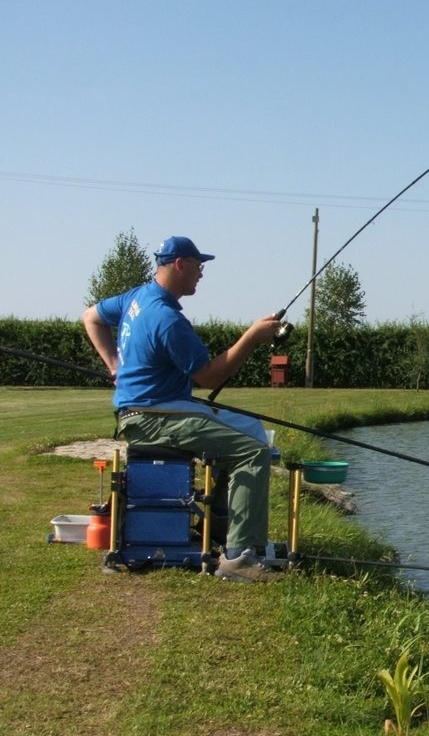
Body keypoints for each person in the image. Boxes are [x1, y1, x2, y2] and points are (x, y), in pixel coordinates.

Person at [83, 235, 282, 582]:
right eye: (199, 266)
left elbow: (91, 317)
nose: (201, 274)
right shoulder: (167, 320)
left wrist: (114, 364)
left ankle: (223, 531)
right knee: (253, 451)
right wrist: (251, 337)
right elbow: (209, 376)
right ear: (180, 265)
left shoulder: (136, 298)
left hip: (144, 412)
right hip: (156, 417)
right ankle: (240, 559)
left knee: (248, 430)